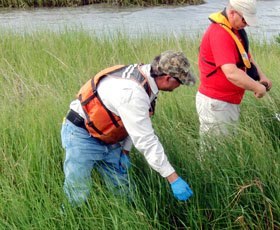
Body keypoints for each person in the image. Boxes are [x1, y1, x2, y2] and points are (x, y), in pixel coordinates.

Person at [61, 50, 196, 207]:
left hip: (109, 138)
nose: (179, 86)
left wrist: (125, 150)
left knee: (122, 190)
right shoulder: (133, 93)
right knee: (77, 192)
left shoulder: (148, 76)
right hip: (81, 134)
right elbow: (145, 140)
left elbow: (132, 120)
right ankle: (66, 221)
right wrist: (173, 178)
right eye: (180, 82)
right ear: (167, 78)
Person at [196, 0, 272, 136]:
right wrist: (256, 87)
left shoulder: (235, 30)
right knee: (215, 152)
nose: (247, 24)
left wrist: (262, 76)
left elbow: (246, 57)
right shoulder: (220, 33)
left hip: (228, 102)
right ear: (232, 13)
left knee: (228, 149)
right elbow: (231, 73)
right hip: (216, 104)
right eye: (244, 19)